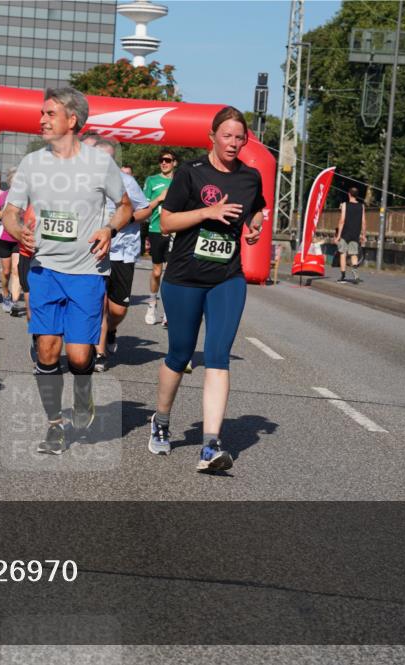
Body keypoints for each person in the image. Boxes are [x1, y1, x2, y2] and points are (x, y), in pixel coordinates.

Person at [1, 87, 132, 455]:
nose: (42, 120)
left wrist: (109, 228)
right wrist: (16, 230)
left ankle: (84, 391)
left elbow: (124, 206)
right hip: (44, 268)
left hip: (88, 271)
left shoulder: (99, 164)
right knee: (46, 350)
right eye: (41, 114)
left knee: (78, 357)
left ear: (72, 120)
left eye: (49, 114)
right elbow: (11, 210)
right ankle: (55, 426)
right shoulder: (32, 163)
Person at [149, 106, 264, 469]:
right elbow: (166, 222)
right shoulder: (190, 173)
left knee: (218, 356)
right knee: (180, 355)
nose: (233, 143)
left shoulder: (250, 176)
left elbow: (256, 207)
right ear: (211, 137)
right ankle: (162, 421)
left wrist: (256, 223)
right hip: (184, 277)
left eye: (239, 137)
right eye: (227, 136)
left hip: (227, 278)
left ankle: (210, 445)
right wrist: (206, 213)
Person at [82, 136, 151, 373]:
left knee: (117, 310)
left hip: (123, 251)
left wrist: (124, 220)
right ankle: (98, 352)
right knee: (98, 304)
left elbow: (146, 211)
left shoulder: (127, 181)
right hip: (97, 252)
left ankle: (111, 330)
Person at [143, 150, 177, 326]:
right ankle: (152, 304)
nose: (164, 163)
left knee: (172, 273)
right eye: (161, 160)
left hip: (175, 231)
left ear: (174, 163)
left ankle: (169, 311)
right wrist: (160, 198)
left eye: (168, 160)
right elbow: (144, 207)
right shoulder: (151, 180)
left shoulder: (180, 181)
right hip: (156, 229)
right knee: (157, 272)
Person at [0, 171, 22, 314]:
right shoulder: (5, 195)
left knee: (17, 270)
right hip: (4, 237)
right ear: (10, 182)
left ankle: (15, 302)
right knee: (7, 271)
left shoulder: (28, 196)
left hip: (20, 237)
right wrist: (7, 215)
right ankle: (5, 293)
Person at [335, 186, 367, 284]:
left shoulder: (345, 205)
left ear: (349, 194)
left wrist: (338, 235)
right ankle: (355, 275)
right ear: (357, 195)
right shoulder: (361, 206)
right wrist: (363, 235)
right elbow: (364, 222)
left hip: (345, 233)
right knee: (354, 254)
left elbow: (342, 220)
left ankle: (343, 276)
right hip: (355, 234)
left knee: (343, 254)